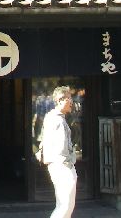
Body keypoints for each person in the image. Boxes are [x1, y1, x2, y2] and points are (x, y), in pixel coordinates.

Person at [40, 85, 77, 218]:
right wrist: (68, 163)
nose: (71, 101)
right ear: (60, 100)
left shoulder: (52, 117)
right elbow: (61, 147)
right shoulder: (57, 119)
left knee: (63, 205)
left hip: (57, 164)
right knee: (65, 205)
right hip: (62, 165)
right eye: (69, 98)